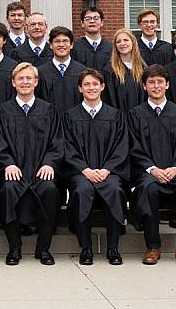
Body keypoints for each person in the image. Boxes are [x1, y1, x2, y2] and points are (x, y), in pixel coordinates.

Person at [128, 64, 176, 265]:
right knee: (148, 190)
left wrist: (175, 167)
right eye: (151, 82)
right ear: (144, 86)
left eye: (160, 82)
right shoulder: (135, 114)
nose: (156, 86)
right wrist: (153, 169)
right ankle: (153, 247)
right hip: (148, 172)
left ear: (167, 85)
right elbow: (134, 146)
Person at [0, 62, 63, 266]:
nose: (25, 82)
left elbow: (57, 142)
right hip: (14, 171)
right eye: (20, 79)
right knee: (8, 190)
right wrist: (7, 163)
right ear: (13, 83)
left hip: (40, 170)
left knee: (50, 190)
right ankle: (14, 248)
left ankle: (43, 248)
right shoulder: (2, 110)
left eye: (28, 79)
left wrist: (49, 163)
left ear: (36, 82)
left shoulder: (48, 110)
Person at [64, 69, 129, 266]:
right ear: (80, 88)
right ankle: (86, 248)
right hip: (81, 172)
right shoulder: (70, 115)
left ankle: (113, 248)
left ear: (102, 87)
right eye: (87, 85)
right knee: (82, 191)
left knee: (115, 190)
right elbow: (67, 146)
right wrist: (85, 169)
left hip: (109, 171)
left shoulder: (115, 115)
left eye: (95, 84)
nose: (91, 88)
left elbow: (121, 146)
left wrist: (107, 169)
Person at [36, 26, 87, 113]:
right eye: (57, 41)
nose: (61, 45)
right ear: (51, 45)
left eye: (65, 41)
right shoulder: (41, 72)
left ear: (71, 45)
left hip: (76, 123)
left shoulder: (82, 72)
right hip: (50, 122)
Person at [103, 28, 146, 112]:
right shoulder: (110, 70)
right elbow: (108, 98)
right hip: (119, 119)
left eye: (126, 40)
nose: (122, 44)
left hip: (141, 119)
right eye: (118, 42)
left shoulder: (143, 68)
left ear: (133, 42)